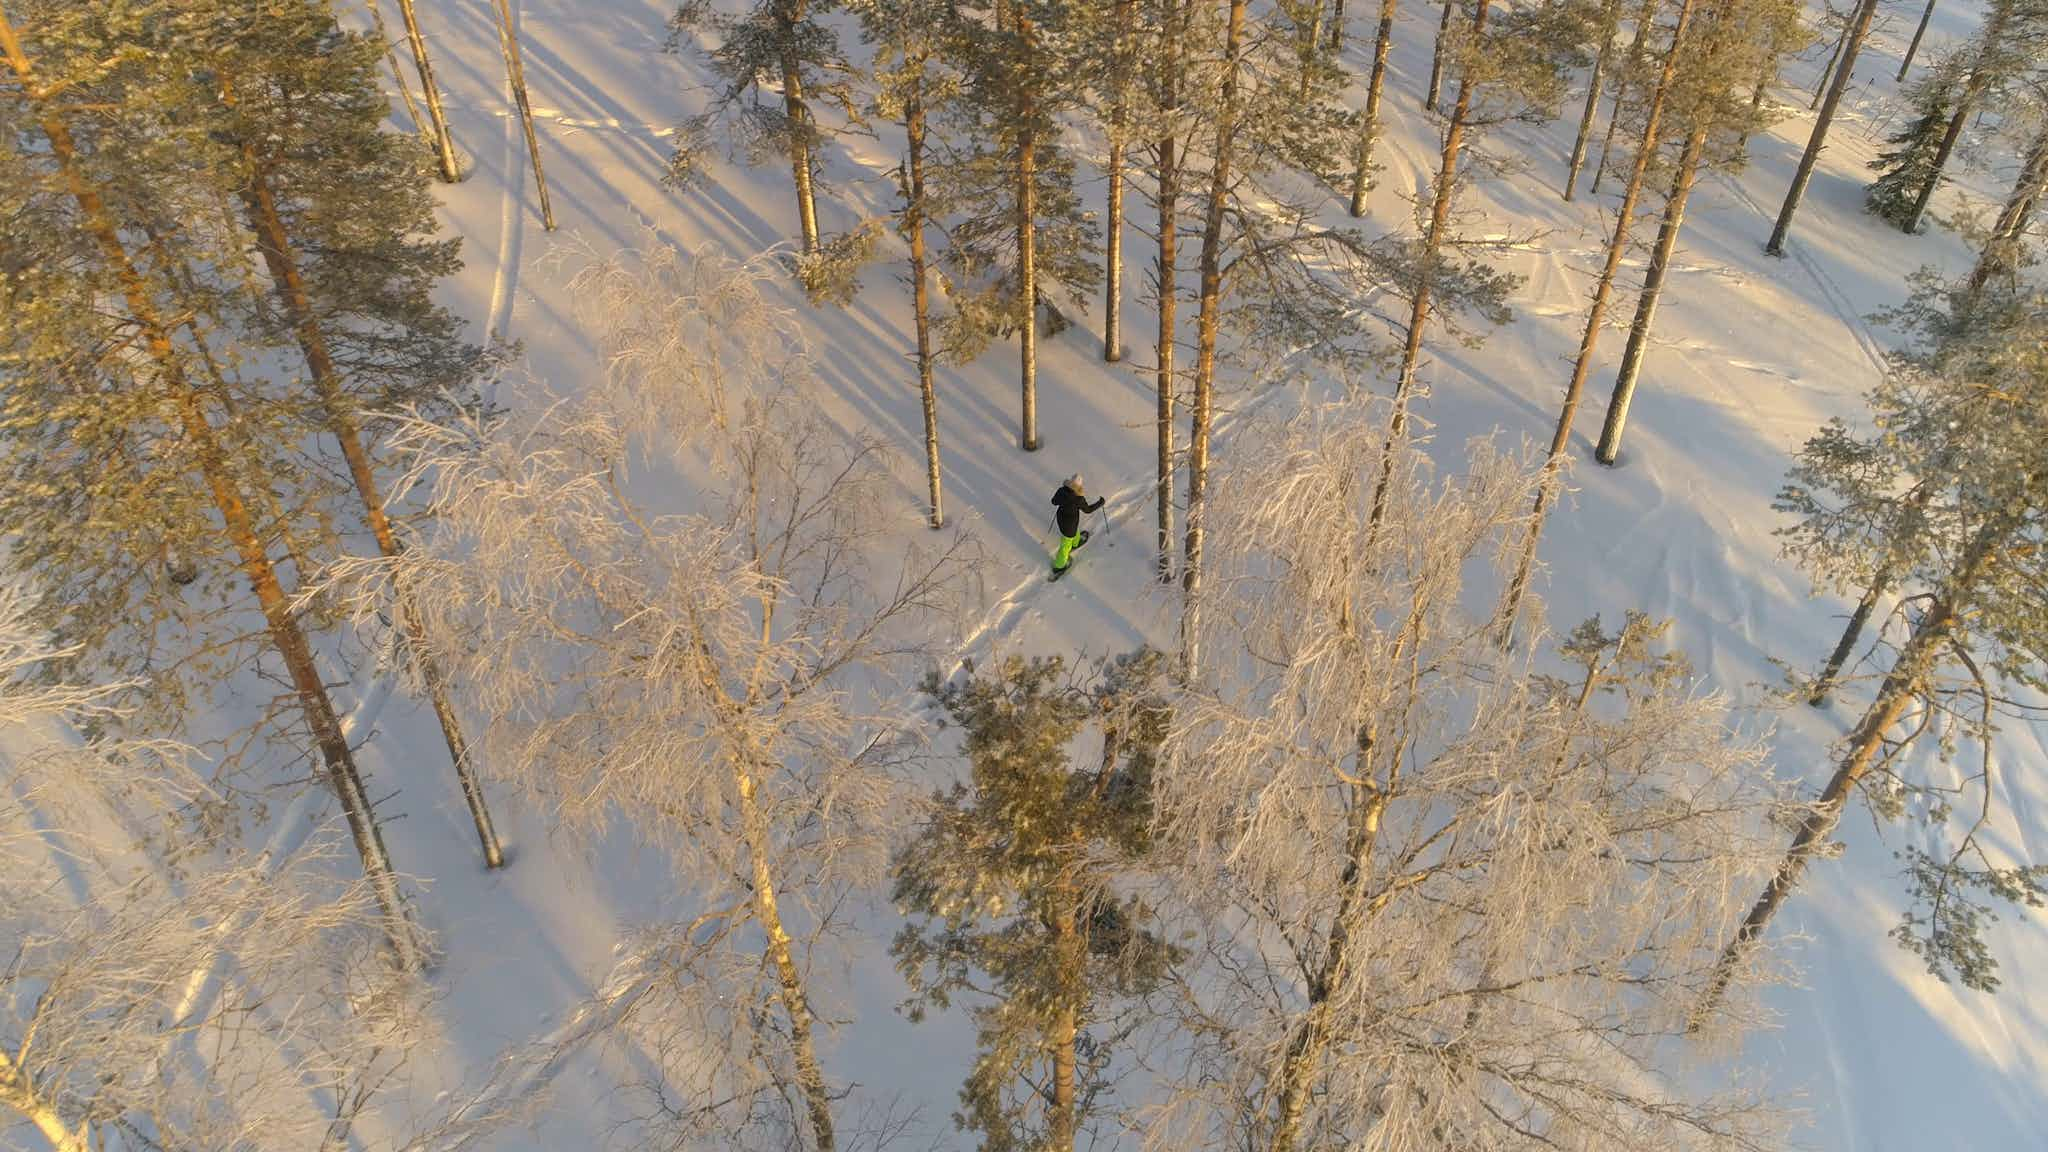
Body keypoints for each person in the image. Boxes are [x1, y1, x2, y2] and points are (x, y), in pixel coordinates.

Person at [1049, 474, 1103, 578]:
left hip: (1061, 519)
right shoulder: (1078, 498)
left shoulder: (1061, 490)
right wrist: (1100, 503)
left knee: (1074, 531)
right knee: (1065, 545)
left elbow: (1054, 502)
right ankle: (1059, 566)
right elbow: (1088, 510)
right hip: (1069, 524)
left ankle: (1076, 542)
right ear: (1078, 486)